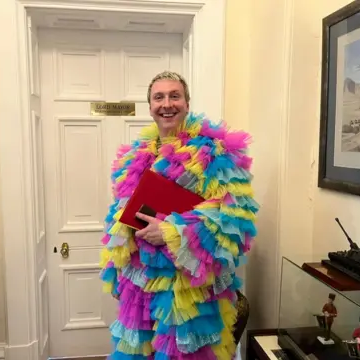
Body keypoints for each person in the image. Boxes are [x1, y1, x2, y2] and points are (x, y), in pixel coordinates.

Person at [99, 70, 259, 359]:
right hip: (140, 285)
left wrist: (172, 231)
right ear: (150, 107)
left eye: (175, 96)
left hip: (188, 289)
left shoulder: (214, 152)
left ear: (187, 103)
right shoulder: (133, 158)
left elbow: (236, 217)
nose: (167, 103)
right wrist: (115, 272)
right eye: (159, 97)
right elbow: (117, 217)